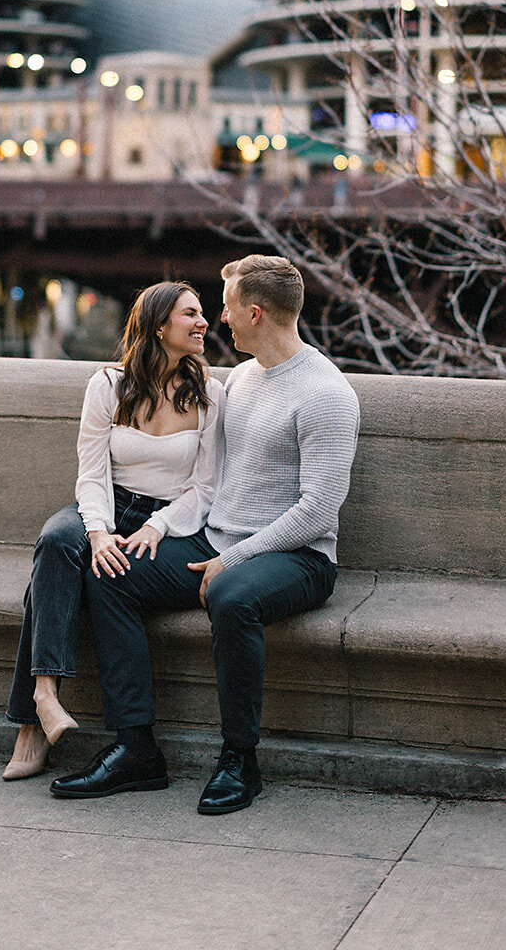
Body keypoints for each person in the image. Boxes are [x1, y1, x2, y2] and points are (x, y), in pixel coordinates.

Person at [50, 253, 360, 814]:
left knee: (229, 595)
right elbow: (203, 477)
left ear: (257, 314)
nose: (219, 319)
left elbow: (318, 511)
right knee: (111, 571)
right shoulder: (237, 380)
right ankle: (135, 747)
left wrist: (235, 558)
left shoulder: (325, 393)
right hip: (215, 539)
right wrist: (157, 528)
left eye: (228, 307)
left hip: (299, 557)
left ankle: (240, 759)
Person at [2, 280, 224, 781]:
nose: (203, 322)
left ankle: (30, 724)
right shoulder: (107, 384)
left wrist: (158, 526)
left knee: (88, 579)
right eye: (190, 314)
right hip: (107, 503)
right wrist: (99, 533)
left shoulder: (211, 394)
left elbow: (206, 489)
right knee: (59, 543)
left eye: (203, 313)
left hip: (172, 519)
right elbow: (92, 474)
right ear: (159, 325)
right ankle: (44, 695)